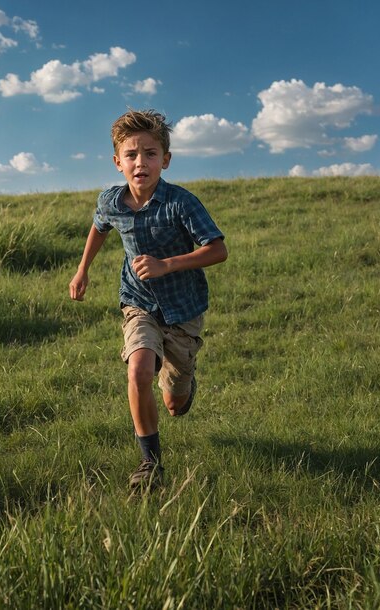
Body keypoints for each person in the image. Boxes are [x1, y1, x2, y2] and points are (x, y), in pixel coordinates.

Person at [68, 109, 227, 492]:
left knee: (175, 402)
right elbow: (99, 227)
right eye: (132, 154)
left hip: (183, 310)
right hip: (137, 303)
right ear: (118, 161)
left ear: (165, 160)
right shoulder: (111, 201)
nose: (141, 162)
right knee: (138, 370)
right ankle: (150, 463)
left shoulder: (181, 203)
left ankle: (183, 387)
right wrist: (82, 269)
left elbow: (217, 250)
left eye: (151, 153)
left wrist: (166, 264)